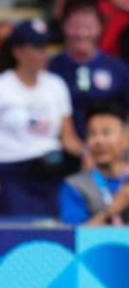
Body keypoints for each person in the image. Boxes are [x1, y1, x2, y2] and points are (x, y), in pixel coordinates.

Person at [48, 1, 129, 170]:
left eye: (88, 26)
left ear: (100, 28)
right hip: (66, 155)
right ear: (64, 28)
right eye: (75, 26)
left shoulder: (118, 68)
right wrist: (83, 152)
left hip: (115, 154)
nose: (81, 33)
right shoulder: (51, 68)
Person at [0, 19, 81, 218]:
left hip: (50, 168)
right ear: (18, 51)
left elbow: (68, 137)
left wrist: (90, 155)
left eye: (46, 47)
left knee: (53, 228)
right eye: (37, 47)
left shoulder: (56, 85)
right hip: (11, 171)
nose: (44, 54)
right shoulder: (3, 87)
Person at [59, 103, 129, 225]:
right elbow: (74, 239)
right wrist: (111, 210)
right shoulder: (75, 186)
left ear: (126, 139)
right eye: (92, 134)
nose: (99, 141)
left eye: (106, 133)